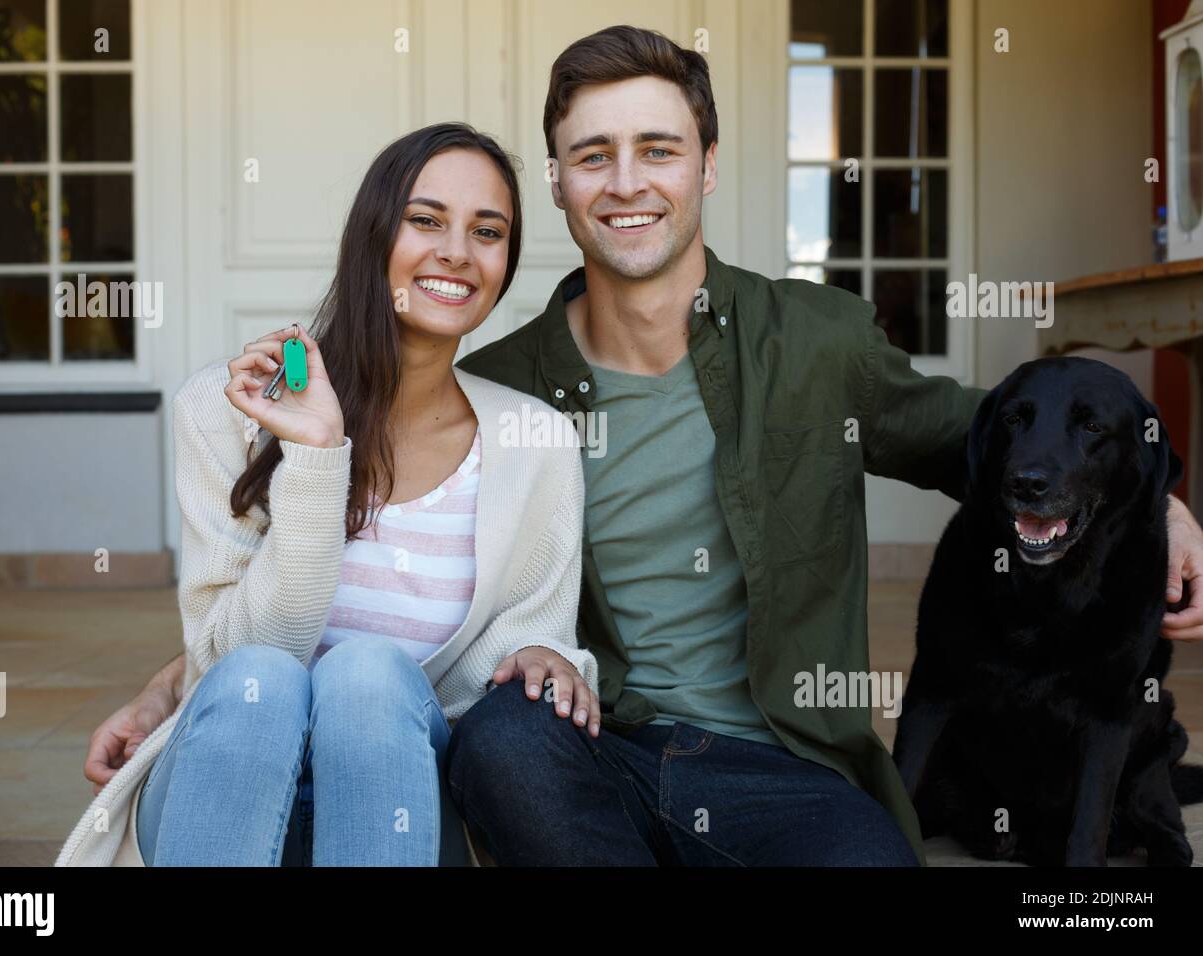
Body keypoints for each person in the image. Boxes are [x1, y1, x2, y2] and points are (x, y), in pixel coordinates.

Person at [76, 26, 1203, 867]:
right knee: (494, 738)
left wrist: (1158, 494)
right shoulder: (504, 385)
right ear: (561, 184)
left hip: (777, 758)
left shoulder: (814, 341)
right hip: (584, 744)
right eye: (591, 155)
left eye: (656, 148)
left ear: (705, 164)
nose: (626, 182)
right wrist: (184, 685)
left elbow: (987, 433)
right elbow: (345, 603)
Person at [55, 123, 599, 867]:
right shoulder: (226, 409)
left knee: (370, 675)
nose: (457, 252)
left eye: (488, 231)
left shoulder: (535, 444)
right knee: (258, 681)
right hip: (224, 793)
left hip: (395, 807)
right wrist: (316, 459)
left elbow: (515, 660)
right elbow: (230, 657)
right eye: (425, 219)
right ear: (372, 233)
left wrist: (551, 660)